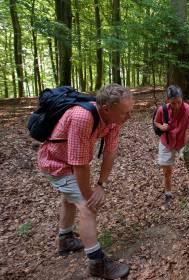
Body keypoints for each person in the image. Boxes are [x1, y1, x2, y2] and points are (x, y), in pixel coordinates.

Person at [37, 84, 133, 279]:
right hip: (55, 163)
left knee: (70, 198)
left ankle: (65, 239)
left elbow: (110, 152)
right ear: (106, 108)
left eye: (130, 111)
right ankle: (97, 263)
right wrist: (90, 196)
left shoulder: (114, 120)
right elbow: (80, 164)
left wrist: (101, 184)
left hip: (70, 163)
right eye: (126, 112)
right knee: (87, 207)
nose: (129, 116)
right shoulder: (83, 117)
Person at [154, 85, 189, 203]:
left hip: (182, 141)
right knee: (167, 171)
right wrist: (161, 126)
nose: (177, 105)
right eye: (173, 103)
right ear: (168, 100)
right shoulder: (162, 110)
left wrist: (186, 150)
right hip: (166, 142)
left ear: (182, 98)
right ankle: (168, 193)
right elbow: (156, 122)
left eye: (179, 102)